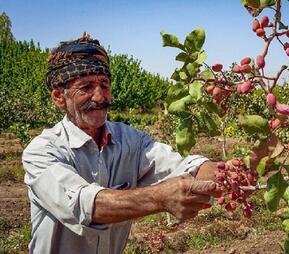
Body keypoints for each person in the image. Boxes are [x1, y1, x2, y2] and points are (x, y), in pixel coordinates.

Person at [22, 33, 220, 254]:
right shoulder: (41, 152)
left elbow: (180, 165)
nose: (100, 97)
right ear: (59, 97)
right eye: (86, 87)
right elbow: (84, 206)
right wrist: (161, 197)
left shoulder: (131, 140)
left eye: (104, 85)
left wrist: (221, 173)